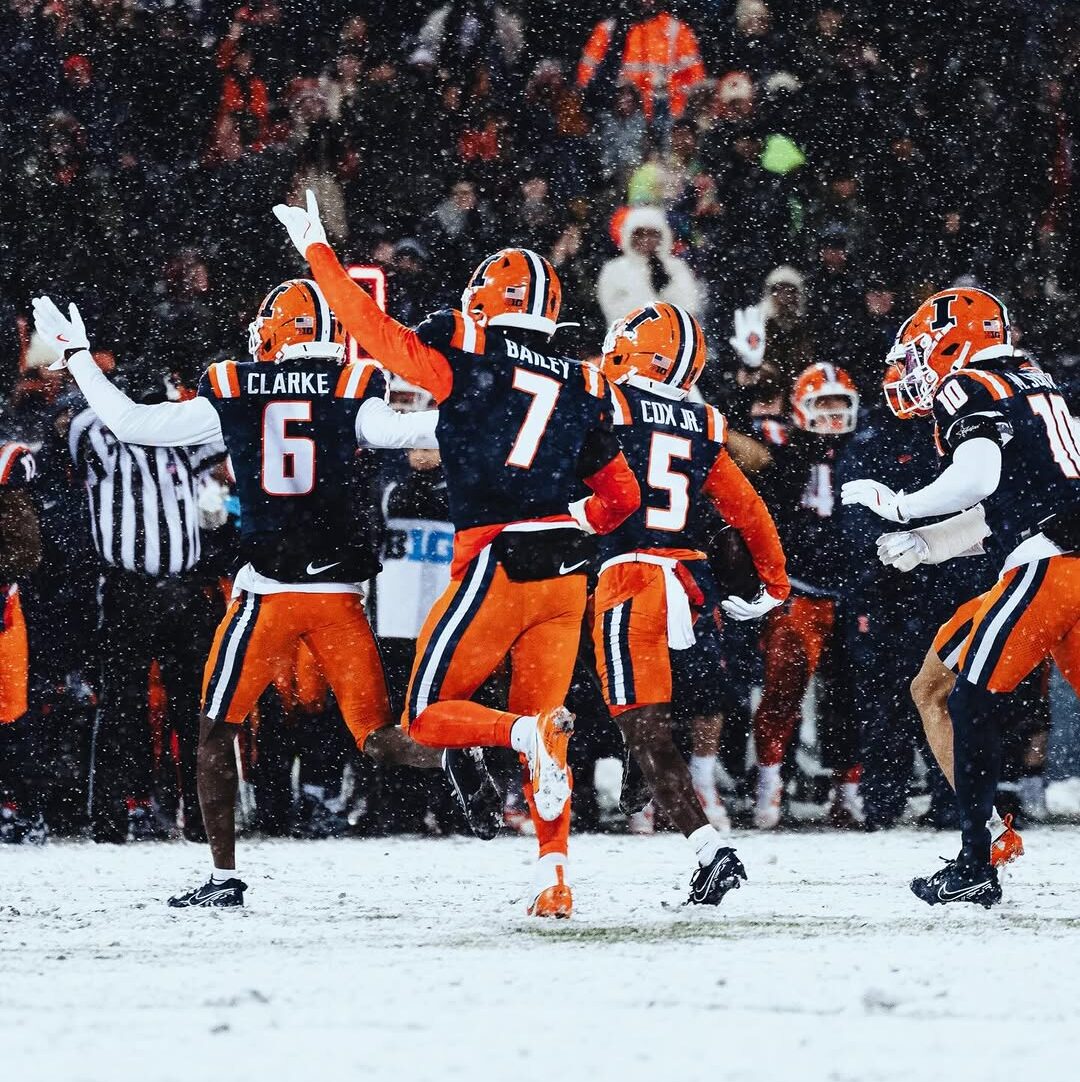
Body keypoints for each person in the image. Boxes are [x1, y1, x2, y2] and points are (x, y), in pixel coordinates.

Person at [31, 283, 470, 907]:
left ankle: (224, 876)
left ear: (276, 334)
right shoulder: (354, 388)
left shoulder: (234, 386)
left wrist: (76, 354)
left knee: (216, 734)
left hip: (269, 592)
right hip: (340, 595)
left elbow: (131, 421)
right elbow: (426, 432)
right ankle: (483, 751)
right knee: (378, 738)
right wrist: (499, 394)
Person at [275, 191, 641, 917]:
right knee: (549, 736)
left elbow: (379, 338)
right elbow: (622, 499)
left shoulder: (468, 349)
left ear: (489, 299)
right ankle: (554, 880)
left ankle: (520, 735)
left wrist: (319, 253)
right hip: (569, 572)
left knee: (426, 716)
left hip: (497, 558)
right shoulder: (586, 381)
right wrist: (571, 512)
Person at [843, 287, 1080, 907]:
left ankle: (976, 859)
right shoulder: (1031, 377)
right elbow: (1008, 503)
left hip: (1048, 565)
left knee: (971, 698)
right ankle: (993, 835)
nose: (920, 366)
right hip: (1051, 557)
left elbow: (980, 477)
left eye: (924, 349)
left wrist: (898, 506)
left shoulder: (969, 383)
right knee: (933, 686)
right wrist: (925, 542)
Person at [592, 302, 789, 902]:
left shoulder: (606, 399)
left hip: (632, 576)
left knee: (640, 720)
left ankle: (707, 848)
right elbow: (749, 511)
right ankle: (642, 784)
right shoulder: (703, 420)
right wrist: (773, 586)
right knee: (663, 715)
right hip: (691, 583)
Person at [66, 365, 227, 844]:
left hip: (184, 588)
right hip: (128, 588)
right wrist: (131, 408)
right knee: (122, 705)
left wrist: (176, 405)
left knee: (194, 707)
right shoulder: (96, 429)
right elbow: (84, 435)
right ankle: (110, 819)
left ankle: (202, 817)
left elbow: (223, 444)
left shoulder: (182, 429)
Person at [750, 362, 862, 829]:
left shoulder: (864, 449)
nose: (833, 415)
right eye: (823, 404)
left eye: (840, 405)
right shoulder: (785, 449)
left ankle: (848, 789)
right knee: (782, 694)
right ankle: (769, 784)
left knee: (849, 699)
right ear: (800, 408)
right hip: (799, 591)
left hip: (852, 592)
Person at [597, 205, 705, 328]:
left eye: (653, 234)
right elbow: (614, 310)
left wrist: (663, 286)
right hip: (628, 339)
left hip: (670, 338)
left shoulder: (676, 267)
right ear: (628, 236)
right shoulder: (615, 269)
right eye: (640, 234)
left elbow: (688, 306)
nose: (646, 240)